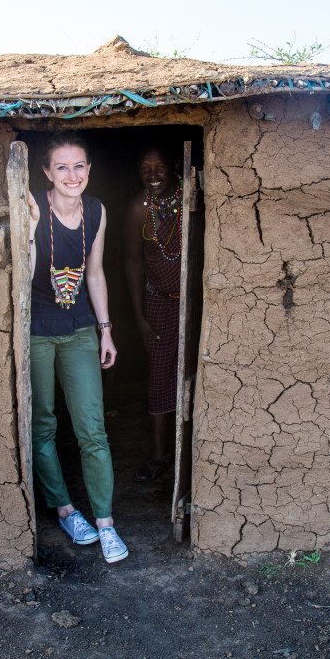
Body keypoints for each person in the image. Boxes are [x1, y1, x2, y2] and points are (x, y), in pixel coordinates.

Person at [26, 133, 128, 563]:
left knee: (92, 428)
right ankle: (66, 510)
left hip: (79, 328)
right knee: (44, 424)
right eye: (62, 167)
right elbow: (24, 276)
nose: (73, 175)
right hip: (36, 330)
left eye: (79, 166)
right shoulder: (32, 205)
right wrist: (30, 227)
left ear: (89, 169)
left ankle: (105, 523)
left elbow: (96, 273)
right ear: (47, 173)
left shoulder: (97, 211)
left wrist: (105, 330)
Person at [125, 145, 183, 483]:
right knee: (160, 376)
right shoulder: (137, 209)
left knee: (192, 372)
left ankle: (193, 449)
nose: (153, 175)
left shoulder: (191, 201)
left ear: (174, 167)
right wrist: (139, 316)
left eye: (159, 166)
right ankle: (160, 455)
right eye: (145, 168)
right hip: (157, 302)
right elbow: (132, 262)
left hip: (192, 301)